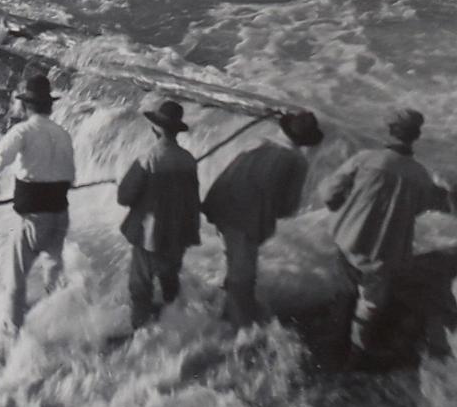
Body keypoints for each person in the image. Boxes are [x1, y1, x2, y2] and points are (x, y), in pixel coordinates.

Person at [321, 108, 454, 367]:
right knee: (369, 306)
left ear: (390, 131)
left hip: (349, 241)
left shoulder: (365, 159)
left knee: (344, 296)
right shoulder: (420, 175)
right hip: (385, 252)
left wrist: (342, 203)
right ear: (415, 136)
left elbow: (329, 193)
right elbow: (428, 204)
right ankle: (356, 354)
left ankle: (332, 349)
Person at [0, 75, 76, 337]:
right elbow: (69, 177)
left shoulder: (22, 132)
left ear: (26, 106)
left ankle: (14, 336)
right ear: (49, 106)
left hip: (34, 219)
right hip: (60, 216)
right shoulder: (63, 134)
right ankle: (60, 330)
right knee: (54, 275)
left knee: (15, 279)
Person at [202, 111, 324, 327]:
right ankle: (237, 328)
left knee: (235, 263)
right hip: (247, 219)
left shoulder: (258, 142)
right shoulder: (297, 162)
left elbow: (230, 173)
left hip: (220, 205)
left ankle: (226, 313)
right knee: (244, 276)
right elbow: (287, 207)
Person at [117, 100, 202, 330]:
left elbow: (124, 196)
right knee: (170, 282)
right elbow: (193, 200)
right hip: (178, 235)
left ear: (155, 128)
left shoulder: (148, 158)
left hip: (149, 237)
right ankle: (172, 329)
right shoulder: (189, 160)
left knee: (140, 287)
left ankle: (140, 333)